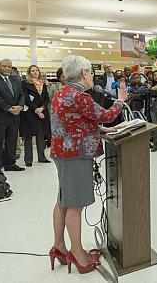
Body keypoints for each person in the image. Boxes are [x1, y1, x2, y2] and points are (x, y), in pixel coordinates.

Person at [49, 55, 122, 274]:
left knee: (63, 199)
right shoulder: (80, 96)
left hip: (62, 151)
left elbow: (72, 122)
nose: (92, 76)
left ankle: (59, 246)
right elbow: (107, 115)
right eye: (90, 72)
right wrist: (120, 100)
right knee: (76, 205)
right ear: (83, 73)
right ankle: (77, 253)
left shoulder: (61, 93)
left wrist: (98, 130)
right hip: (76, 155)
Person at [0, 59, 26, 173]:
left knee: (12, 141)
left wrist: (20, 106)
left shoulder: (16, 80)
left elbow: (22, 95)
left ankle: (10, 164)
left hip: (14, 116)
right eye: (4, 66)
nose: (7, 68)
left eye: (9, 66)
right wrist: (9, 108)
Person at [20, 65, 50, 166]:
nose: (35, 72)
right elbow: (25, 99)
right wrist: (36, 109)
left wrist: (42, 108)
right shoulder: (24, 84)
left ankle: (42, 157)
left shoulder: (42, 83)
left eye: (37, 70)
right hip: (29, 113)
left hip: (42, 112)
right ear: (29, 73)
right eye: (32, 71)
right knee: (28, 137)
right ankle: (28, 160)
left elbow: (47, 98)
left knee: (41, 136)